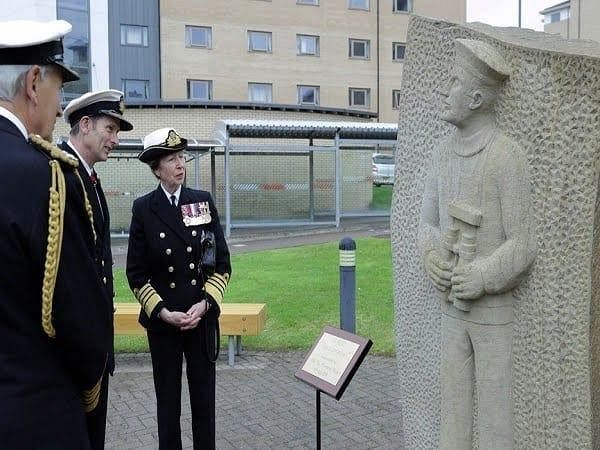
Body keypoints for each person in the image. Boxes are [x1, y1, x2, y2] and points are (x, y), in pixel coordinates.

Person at [418, 39, 536, 449]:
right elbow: (426, 223)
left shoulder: (507, 157)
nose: (445, 91)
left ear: (477, 97)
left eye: (453, 83)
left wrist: (483, 276)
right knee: (453, 414)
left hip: (492, 315)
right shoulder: (441, 155)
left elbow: (523, 244)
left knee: (496, 419)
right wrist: (432, 256)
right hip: (452, 312)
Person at [0, 20, 110, 449]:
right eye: (57, 86)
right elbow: (78, 319)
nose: (59, 102)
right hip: (35, 416)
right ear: (32, 83)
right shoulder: (43, 176)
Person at [126, 127, 231, 450]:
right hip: (165, 324)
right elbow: (136, 274)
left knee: (204, 404)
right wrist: (163, 313)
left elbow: (222, 264)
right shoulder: (144, 209)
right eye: (172, 159)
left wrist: (205, 305)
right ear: (157, 168)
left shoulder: (202, 202)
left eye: (182, 157)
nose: (180, 164)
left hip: (200, 320)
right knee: (167, 405)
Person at [61, 89, 134, 449]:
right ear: (85, 125)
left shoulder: (86, 177)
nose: (115, 140)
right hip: (78, 349)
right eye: (110, 128)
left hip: (95, 345)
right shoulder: (62, 176)